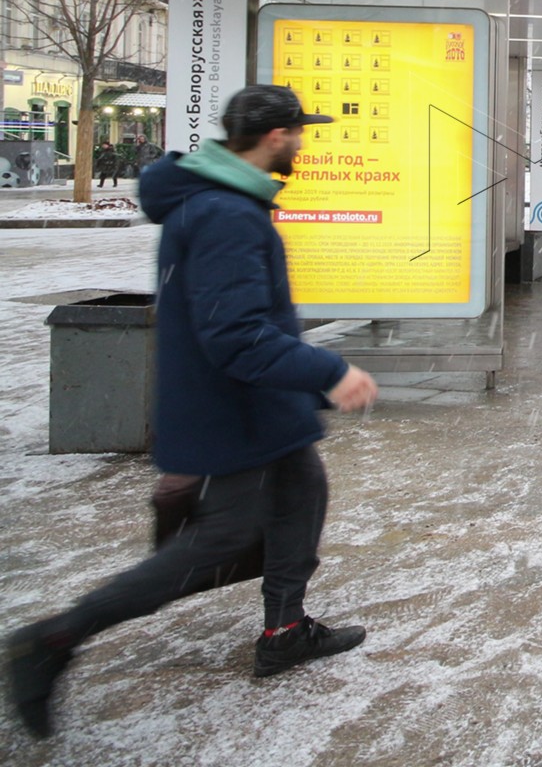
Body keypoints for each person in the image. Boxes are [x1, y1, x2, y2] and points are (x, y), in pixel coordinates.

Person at [6, 85, 379, 739]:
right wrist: (330, 372)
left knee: (302, 493)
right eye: (298, 133)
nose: (301, 143)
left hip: (260, 406)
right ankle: (55, 638)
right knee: (215, 544)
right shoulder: (225, 213)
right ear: (274, 137)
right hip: (231, 411)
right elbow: (234, 335)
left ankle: (285, 631)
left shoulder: (223, 200)